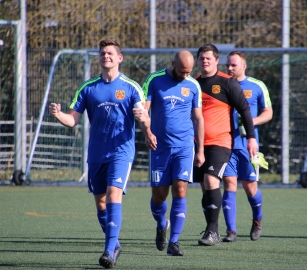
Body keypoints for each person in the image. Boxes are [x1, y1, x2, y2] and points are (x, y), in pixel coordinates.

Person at [49, 39, 153, 269]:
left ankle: (108, 250)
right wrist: (58, 115)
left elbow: (145, 116)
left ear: (119, 58)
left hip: (121, 152)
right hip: (96, 153)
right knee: (101, 203)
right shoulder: (88, 88)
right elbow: (72, 120)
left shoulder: (130, 87)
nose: (105, 56)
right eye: (103, 54)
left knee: (114, 194)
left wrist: (145, 123)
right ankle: (114, 243)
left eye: (110, 53)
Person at [194, 44, 258, 246]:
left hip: (221, 142)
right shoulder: (193, 84)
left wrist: (251, 137)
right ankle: (211, 228)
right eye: (202, 58)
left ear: (216, 60)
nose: (205, 61)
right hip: (198, 146)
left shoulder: (227, 82)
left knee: (212, 181)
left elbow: (245, 110)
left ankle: (213, 232)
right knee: (205, 188)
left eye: (209, 58)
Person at [142, 50, 205, 256]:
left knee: (180, 190)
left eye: (188, 72)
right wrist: (147, 132)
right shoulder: (154, 79)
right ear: (172, 64)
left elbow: (198, 119)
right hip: (159, 148)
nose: (185, 75)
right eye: (181, 71)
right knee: (159, 197)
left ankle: (174, 242)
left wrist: (200, 149)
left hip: (184, 147)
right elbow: (144, 110)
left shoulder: (193, 85)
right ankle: (162, 224)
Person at [222, 51, 273, 243]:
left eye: (233, 65)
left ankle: (257, 220)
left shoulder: (257, 86)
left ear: (244, 66)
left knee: (250, 188)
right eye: (228, 65)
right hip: (226, 144)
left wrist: (252, 121)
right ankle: (230, 231)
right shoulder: (223, 85)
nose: (229, 68)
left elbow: (268, 112)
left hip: (248, 146)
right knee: (229, 184)